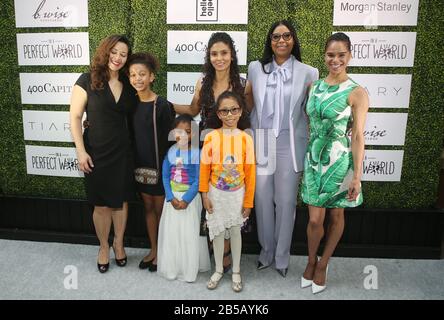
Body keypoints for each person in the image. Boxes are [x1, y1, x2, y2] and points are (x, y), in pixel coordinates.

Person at [174, 32, 253, 273]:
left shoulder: (243, 83)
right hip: (208, 146)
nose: (219, 58)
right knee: (211, 199)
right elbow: (192, 109)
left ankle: (227, 252)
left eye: (224, 53)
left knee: (231, 199)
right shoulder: (202, 82)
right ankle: (216, 253)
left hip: (234, 150)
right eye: (214, 53)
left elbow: (247, 116)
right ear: (209, 56)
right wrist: (161, 103)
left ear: (232, 55)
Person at [247, 20, 318, 277]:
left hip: (290, 141)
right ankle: (266, 252)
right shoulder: (256, 68)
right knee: (262, 197)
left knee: (286, 200)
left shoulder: (309, 72)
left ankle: (281, 257)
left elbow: (310, 111)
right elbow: (248, 99)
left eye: (286, 36)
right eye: (276, 36)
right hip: (263, 138)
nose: (281, 40)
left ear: (293, 39)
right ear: (270, 40)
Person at [300, 32, 368, 294]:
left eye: (341, 55)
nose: (335, 59)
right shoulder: (314, 87)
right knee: (315, 219)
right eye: (331, 55)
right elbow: (310, 122)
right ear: (325, 56)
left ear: (349, 56)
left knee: (336, 214)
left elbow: (359, 136)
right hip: (314, 158)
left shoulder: (357, 92)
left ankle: (323, 264)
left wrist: (357, 176)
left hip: (340, 160)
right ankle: (310, 260)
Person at [70, 35, 137, 273]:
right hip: (95, 153)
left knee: (120, 202)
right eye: (114, 52)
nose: (118, 58)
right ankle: (103, 247)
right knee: (101, 205)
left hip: (123, 153)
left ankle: (119, 243)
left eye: (123, 54)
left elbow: (148, 104)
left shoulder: (130, 84)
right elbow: (76, 117)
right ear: (105, 51)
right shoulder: (87, 80)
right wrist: (80, 150)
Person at [199, 91, 256, 292]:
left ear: (240, 111)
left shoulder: (245, 138)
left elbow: (251, 172)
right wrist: (204, 194)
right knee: (217, 232)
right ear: (218, 114)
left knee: (234, 232)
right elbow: (204, 168)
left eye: (234, 109)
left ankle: (236, 271)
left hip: (237, 195)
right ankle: (218, 270)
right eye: (225, 111)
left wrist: (248, 202)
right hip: (216, 194)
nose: (230, 114)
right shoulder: (211, 137)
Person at [128, 52, 175, 272]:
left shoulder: (162, 105)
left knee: (160, 210)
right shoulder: (128, 105)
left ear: (152, 76)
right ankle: (154, 249)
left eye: (142, 74)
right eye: (133, 75)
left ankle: (164, 252)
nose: (137, 79)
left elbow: (170, 140)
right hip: (138, 167)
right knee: (147, 208)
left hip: (160, 167)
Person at [157, 114, 211, 282]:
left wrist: (186, 199)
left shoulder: (198, 153)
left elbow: (198, 180)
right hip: (172, 200)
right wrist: (170, 197)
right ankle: (174, 267)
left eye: (188, 131)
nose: (184, 135)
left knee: (189, 234)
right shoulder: (170, 152)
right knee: (173, 233)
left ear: (194, 134)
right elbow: (165, 176)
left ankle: (189, 268)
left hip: (190, 200)